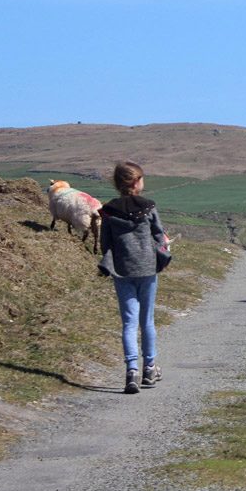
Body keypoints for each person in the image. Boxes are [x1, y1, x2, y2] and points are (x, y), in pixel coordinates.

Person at [98, 161, 171, 394]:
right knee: (147, 320)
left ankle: (131, 371)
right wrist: (161, 252)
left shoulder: (108, 211)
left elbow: (105, 243)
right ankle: (149, 368)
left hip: (122, 270)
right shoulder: (149, 207)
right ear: (136, 182)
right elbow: (159, 235)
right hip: (147, 268)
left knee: (129, 322)